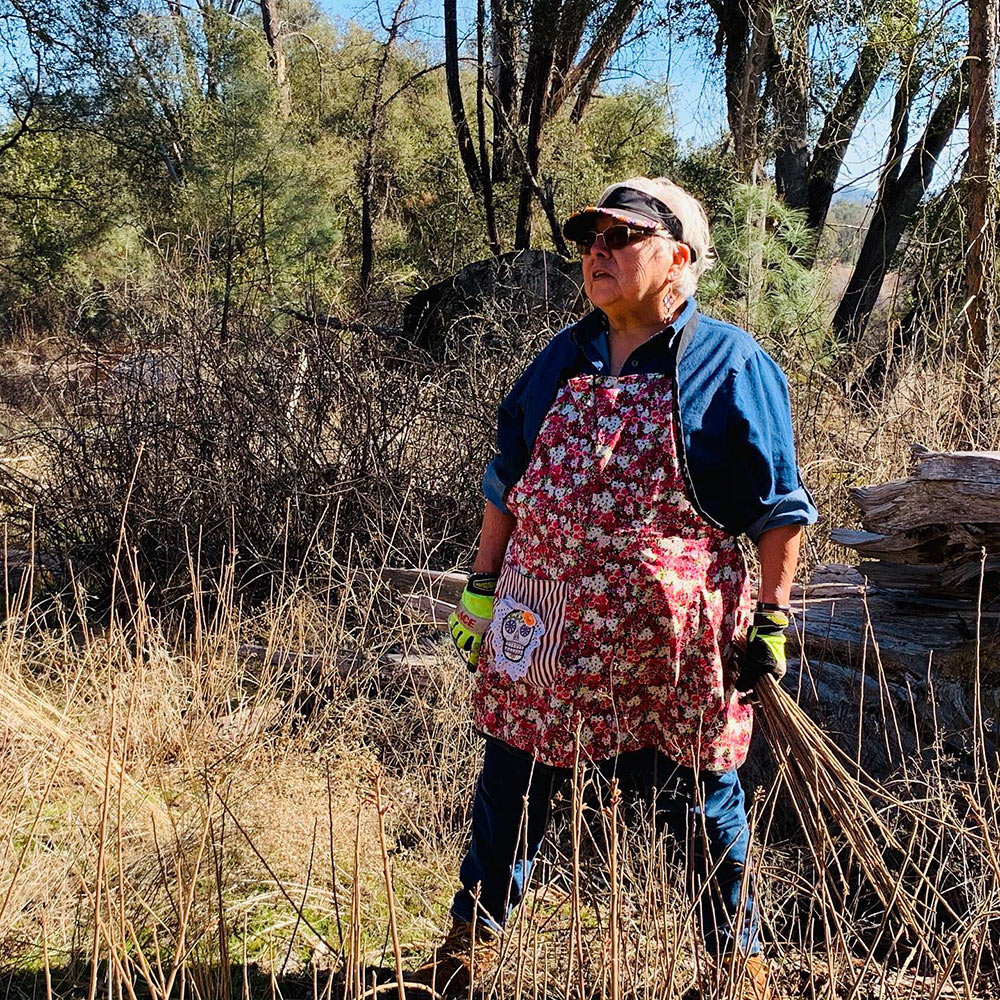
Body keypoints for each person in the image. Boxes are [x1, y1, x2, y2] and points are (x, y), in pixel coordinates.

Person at [425, 177, 818, 1000]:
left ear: (678, 258)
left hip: (667, 650)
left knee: (699, 804)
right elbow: (508, 483)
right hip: (542, 623)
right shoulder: (558, 360)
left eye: (621, 237)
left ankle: (732, 964)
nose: (598, 251)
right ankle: (470, 950)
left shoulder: (732, 365)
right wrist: (480, 589)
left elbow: (779, 512)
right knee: (511, 786)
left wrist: (774, 620)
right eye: (590, 238)